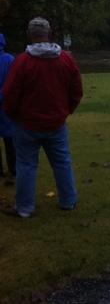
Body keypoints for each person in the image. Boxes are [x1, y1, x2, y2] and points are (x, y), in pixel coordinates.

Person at [2, 17, 83, 218]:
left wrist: (14, 116)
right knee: (62, 162)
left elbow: (10, 94)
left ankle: (25, 208)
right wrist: (65, 111)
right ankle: (68, 201)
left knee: (26, 165)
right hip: (56, 123)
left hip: (27, 124)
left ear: (30, 35)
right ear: (50, 33)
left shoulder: (22, 61)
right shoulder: (65, 59)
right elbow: (76, 91)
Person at [0, 33, 15, 177]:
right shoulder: (10, 59)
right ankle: (13, 168)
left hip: (5, 102)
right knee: (10, 138)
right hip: (7, 104)